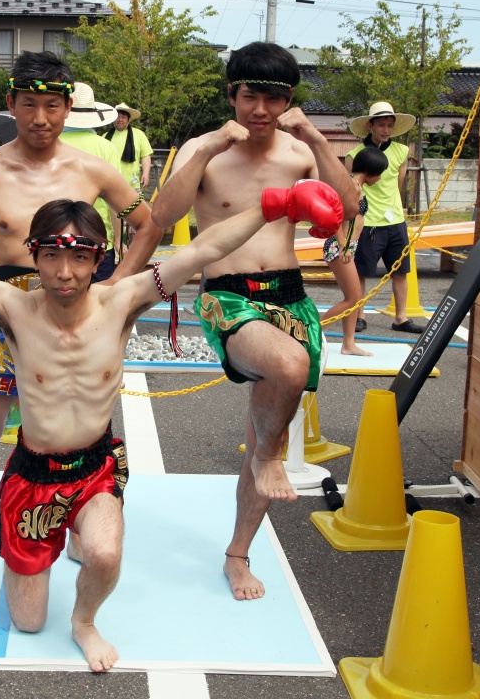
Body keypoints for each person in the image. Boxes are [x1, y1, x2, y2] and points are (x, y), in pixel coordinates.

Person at [0, 185, 339, 670]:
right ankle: (38, 553)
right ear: (35, 256)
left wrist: (273, 207)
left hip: (95, 468)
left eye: (80, 258)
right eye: (52, 257)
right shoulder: (11, 306)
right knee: (27, 621)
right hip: (33, 476)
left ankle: (85, 621)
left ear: (98, 259)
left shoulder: (121, 302)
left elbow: (203, 249)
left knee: (104, 555)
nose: (66, 274)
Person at [0, 52, 164, 579]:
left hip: (79, 313)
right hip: (4, 311)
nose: (40, 118)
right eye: (29, 105)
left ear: (67, 108)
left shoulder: (92, 170)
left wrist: (116, 286)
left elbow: (147, 225)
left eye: (51, 106)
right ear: (10, 104)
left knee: (81, 430)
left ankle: (78, 525)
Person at [150, 41, 359, 601]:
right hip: (227, 294)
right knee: (287, 372)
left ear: (288, 100)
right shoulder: (205, 148)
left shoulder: (298, 152)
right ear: (232, 95)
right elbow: (162, 215)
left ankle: (238, 554)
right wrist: (209, 147)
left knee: (267, 428)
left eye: (272, 98)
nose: (259, 110)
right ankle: (269, 457)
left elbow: (351, 207)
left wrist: (316, 137)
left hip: (289, 296)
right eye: (249, 96)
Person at [347, 102, 426, 335]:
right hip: (367, 221)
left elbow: (399, 184)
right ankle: (359, 315)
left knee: (401, 270)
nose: (386, 129)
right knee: (360, 271)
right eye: (381, 124)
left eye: (390, 125)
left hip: (394, 221)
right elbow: (352, 188)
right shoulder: (354, 155)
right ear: (370, 125)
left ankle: (401, 317)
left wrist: (394, 209)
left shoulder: (401, 151)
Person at [320, 147, 389, 356]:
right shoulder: (352, 187)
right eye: (380, 172)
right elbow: (337, 219)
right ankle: (309, 333)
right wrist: (343, 246)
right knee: (352, 298)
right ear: (371, 169)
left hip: (348, 247)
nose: (381, 177)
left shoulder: (354, 184)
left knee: (354, 297)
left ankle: (348, 343)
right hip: (340, 247)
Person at [57, 82, 123, 282]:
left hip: (55, 237)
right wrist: (118, 239)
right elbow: (116, 202)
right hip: (98, 236)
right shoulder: (105, 147)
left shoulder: (50, 144)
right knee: (99, 303)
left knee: (57, 305)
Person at [103, 103, 154, 191]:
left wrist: (145, 174)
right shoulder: (104, 137)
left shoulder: (139, 135)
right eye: (117, 117)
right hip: (109, 184)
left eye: (123, 117)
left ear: (128, 119)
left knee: (134, 205)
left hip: (132, 183)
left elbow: (145, 156)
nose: (120, 120)